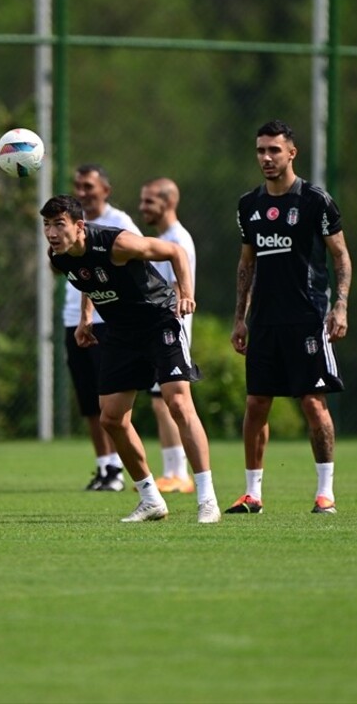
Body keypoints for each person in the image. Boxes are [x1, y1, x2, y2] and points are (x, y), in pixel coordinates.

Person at [43, 194, 222, 524]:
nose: (51, 233)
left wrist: (186, 294)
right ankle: (151, 499)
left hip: (158, 321)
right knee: (111, 418)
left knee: (178, 403)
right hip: (120, 333)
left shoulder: (117, 243)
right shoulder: (59, 257)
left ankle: (207, 499)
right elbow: (87, 278)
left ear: (79, 226)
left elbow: (175, 252)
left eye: (59, 225)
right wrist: (86, 317)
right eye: (46, 225)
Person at [228, 119, 352, 515]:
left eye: (274, 150)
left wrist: (341, 305)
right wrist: (240, 317)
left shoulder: (316, 201)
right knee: (257, 403)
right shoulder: (249, 205)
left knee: (313, 404)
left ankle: (325, 493)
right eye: (261, 150)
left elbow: (341, 257)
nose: (266, 158)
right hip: (264, 319)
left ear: (291, 153)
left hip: (307, 316)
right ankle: (253, 493)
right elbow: (246, 263)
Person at [64, 164, 141, 491]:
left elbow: (139, 262)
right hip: (74, 319)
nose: (82, 192)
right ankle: (104, 467)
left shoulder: (119, 223)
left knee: (110, 399)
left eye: (89, 186)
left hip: (110, 321)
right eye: (78, 186)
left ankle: (121, 468)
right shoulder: (67, 225)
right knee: (87, 400)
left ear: (105, 190)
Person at [138, 178, 198, 494]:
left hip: (171, 333)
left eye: (149, 201)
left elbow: (178, 289)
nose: (142, 207)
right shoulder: (164, 237)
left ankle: (180, 473)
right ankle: (173, 471)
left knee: (169, 402)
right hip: (156, 333)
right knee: (160, 402)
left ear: (168, 202)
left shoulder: (177, 240)